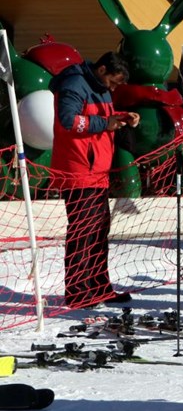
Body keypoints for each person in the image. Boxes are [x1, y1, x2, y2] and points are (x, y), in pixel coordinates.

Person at [49, 51, 137, 309]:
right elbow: (68, 121)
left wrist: (121, 118)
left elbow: (101, 118)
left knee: (99, 232)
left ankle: (99, 287)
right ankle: (78, 292)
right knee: (83, 233)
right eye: (113, 81)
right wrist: (105, 123)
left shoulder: (101, 88)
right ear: (101, 70)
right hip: (78, 171)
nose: (114, 87)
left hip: (97, 171)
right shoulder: (74, 83)